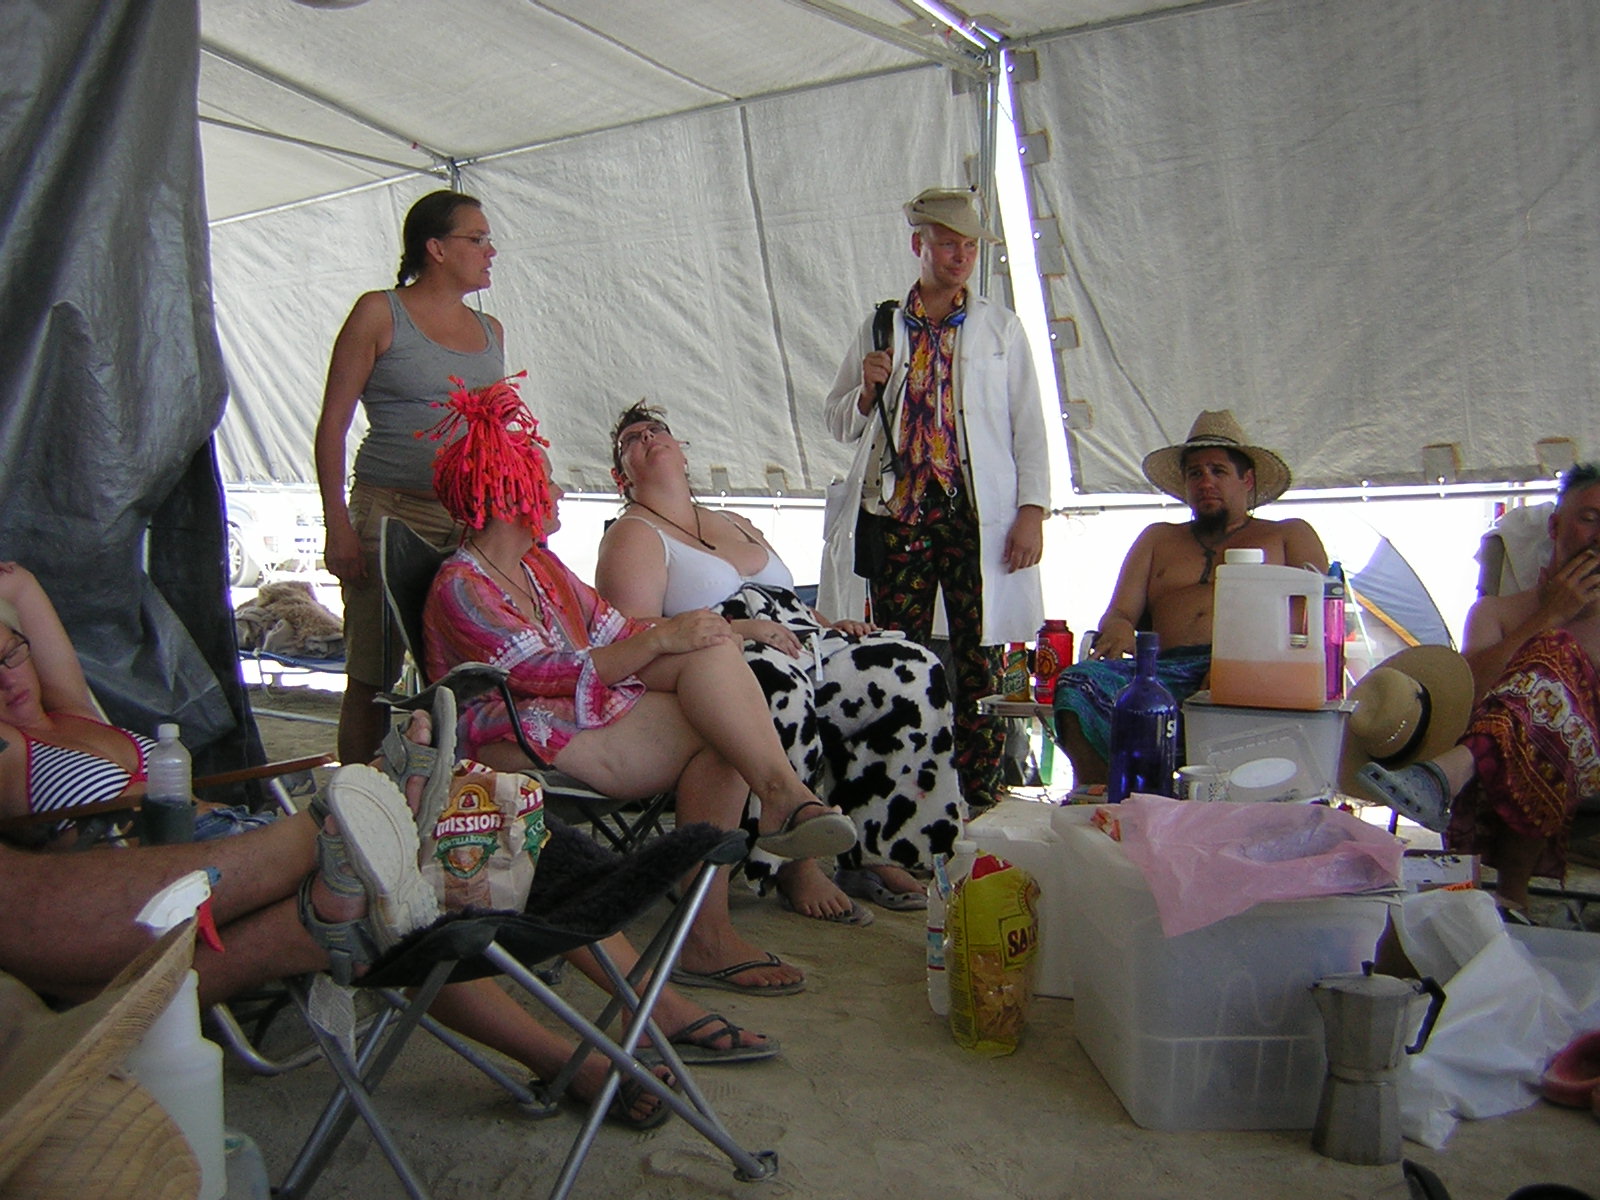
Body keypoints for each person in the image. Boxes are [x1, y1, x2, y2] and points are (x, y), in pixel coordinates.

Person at [420, 378, 858, 995]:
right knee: (712, 711)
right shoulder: (463, 586)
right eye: (547, 481)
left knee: (716, 690)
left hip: (573, 712)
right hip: (517, 735)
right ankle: (721, 911)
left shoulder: (537, 567)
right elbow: (535, 674)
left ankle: (777, 804)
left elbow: (611, 628)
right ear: (511, 492)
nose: (559, 491)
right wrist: (658, 641)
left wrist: (704, 630)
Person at [594, 402, 965, 922]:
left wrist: (832, 625)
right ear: (621, 476)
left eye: (658, 430)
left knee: (912, 669)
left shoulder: (733, 521)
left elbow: (784, 598)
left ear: (682, 451)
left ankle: (878, 848)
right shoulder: (633, 534)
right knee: (776, 682)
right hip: (722, 652)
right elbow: (628, 631)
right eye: (632, 440)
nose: (650, 438)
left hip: (802, 638)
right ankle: (793, 857)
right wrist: (740, 630)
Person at [820, 187, 1049, 811]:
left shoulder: (1001, 328)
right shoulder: (881, 326)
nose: (961, 256)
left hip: (977, 517)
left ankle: (981, 793)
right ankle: (903, 793)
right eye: (948, 244)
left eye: (969, 245)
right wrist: (866, 393)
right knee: (900, 657)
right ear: (918, 245)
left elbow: (1029, 425)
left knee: (982, 659)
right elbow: (838, 421)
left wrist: (1032, 510)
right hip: (899, 514)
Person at [1355, 462, 1600, 915]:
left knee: (1556, 655)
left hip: (1590, 763)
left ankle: (1447, 775)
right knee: (1532, 694)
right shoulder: (1495, 613)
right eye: (1590, 518)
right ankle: (1512, 899)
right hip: (1518, 758)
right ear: (1555, 526)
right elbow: (1469, 698)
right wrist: (1549, 616)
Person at [315, 189, 505, 764]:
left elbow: (497, 431)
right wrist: (338, 527)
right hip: (389, 512)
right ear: (436, 248)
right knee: (371, 676)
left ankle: (448, 794)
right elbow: (332, 425)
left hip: (469, 522)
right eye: (477, 238)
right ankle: (355, 798)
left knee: (465, 671)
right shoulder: (380, 312)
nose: (491, 251)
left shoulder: (491, 329)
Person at [1052, 410, 1328, 786]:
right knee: (1076, 684)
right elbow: (1120, 611)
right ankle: (1102, 799)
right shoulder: (1157, 538)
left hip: (1256, 671)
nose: (1205, 482)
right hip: (1161, 672)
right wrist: (1117, 627)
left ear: (1247, 479)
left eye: (1218, 471)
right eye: (1195, 473)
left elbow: (1315, 619)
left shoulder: (1288, 534)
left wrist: (1239, 666)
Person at [0, 563, 269, 842]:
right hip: (174, 859)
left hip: (233, 828)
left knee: (300, 833)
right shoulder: (9, 750)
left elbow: (20, 586)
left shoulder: (72, 710)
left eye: (10, 654)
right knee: (301, 834)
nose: (8, 679)